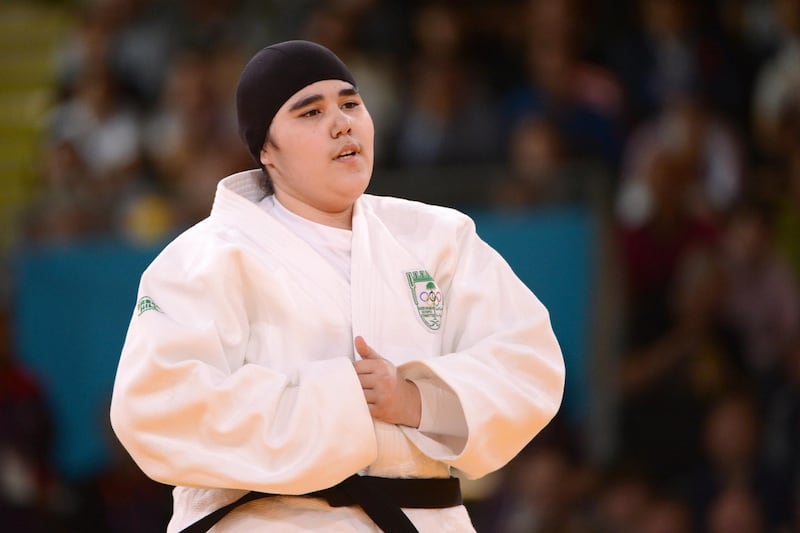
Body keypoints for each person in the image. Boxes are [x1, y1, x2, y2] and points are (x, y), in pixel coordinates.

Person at [109, 40, 565, 532]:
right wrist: (341, 400)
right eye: (310, 112)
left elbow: (528, 362)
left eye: (350, 103)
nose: (341, 122)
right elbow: (154, 409)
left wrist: (414, 399)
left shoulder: (438, 238)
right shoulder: (203, 259)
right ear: (267, 150)